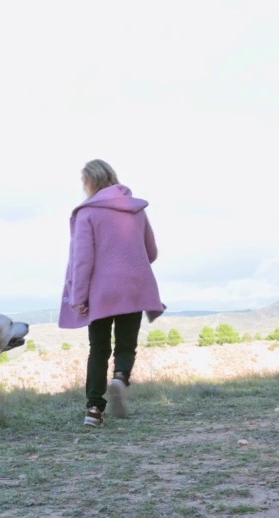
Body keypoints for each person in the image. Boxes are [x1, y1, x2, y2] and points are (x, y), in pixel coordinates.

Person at [58, 159, 165, 427]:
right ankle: (120, 378)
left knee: (99, 349)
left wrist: (78, 297)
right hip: (134, 287)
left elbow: (82, 260)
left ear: (89, 182)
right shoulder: (136, 210)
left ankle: (94, 409)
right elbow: (151, 252)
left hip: (101, 292)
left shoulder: (88, 213)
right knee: (126, 345)